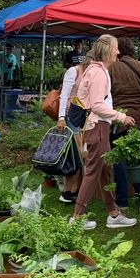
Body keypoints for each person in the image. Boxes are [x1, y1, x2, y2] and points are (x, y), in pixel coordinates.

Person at [71, 34, 138, 230]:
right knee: (93, 172)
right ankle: (77, 218)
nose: (118, 52)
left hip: (96, 127)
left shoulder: (94, 70)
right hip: (98, 127)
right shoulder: (99, 73)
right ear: (108, 51)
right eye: (116, 48)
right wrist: (120, 116)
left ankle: (113, 213)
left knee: (103, 172)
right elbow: (97, 105)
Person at [108, 36, 140, 207]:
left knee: (119, 158)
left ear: (118, 50)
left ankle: (122, 200)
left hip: (121, 118)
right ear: (133, 50)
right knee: (138, 156)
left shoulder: (112, 68)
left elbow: (107, 93)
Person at [55, 52, 87, 204]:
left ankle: (76, 190)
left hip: (82, 116)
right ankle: (68, 191)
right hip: (70, 116)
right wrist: (61, 117)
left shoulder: (90, 72)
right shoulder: (72, 71)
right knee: (74, 154)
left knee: (80, 154)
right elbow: (64, 95)